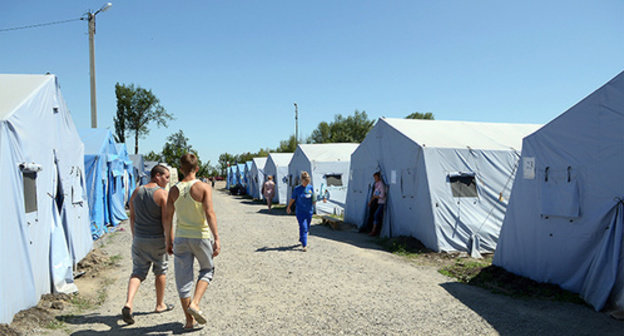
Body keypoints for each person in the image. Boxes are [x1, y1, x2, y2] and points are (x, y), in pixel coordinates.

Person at [165, 153, 220, 331]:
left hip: (181, 237)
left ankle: (189, 321)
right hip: (200, 236)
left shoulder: (173, 190)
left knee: (183, 280)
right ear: (197, 168)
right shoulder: (204, 187)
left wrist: (169, 239)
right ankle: (195, 303)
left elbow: (167, 217)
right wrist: (217, 237)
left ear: (181, 169)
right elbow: (210, 213)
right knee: (207, 269)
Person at [122, 165, 173, 325]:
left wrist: (134, 235)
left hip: (139, 239)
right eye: (166, 177)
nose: (167, 180)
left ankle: (128, 303)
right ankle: (159, 304)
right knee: (161, 271)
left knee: (137, 272)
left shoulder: (136, 192)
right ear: (157, 176)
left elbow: (132, 216)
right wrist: (169, 241)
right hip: (157, 239)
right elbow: (167, 221)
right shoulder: (163, 195)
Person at [286, 171, 316, 252]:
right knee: (304, 227)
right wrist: (289, 207)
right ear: (302, 180)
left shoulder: (311, 188)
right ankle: (304, 245)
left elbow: (313, 198)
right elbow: (293, 199)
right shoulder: (297, 189)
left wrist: (315, 200)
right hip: (300, 212)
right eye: (305, 181)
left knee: (307, 227)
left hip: (309, 211)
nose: (306, 183)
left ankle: (302, 237)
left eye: (308, 181)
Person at [368, 172, 386, 236]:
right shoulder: (377, 184)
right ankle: (376, 230)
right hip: (378, 202)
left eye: (376, 177)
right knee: (377, 215)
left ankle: (374, 231)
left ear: (378, 177)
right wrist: (371, 201)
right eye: (374, 178)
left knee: (376, 215)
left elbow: (382, 195)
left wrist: (375, 197)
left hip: (382, 202)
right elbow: (375, 194)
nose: (375, 179)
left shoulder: (381, 184)